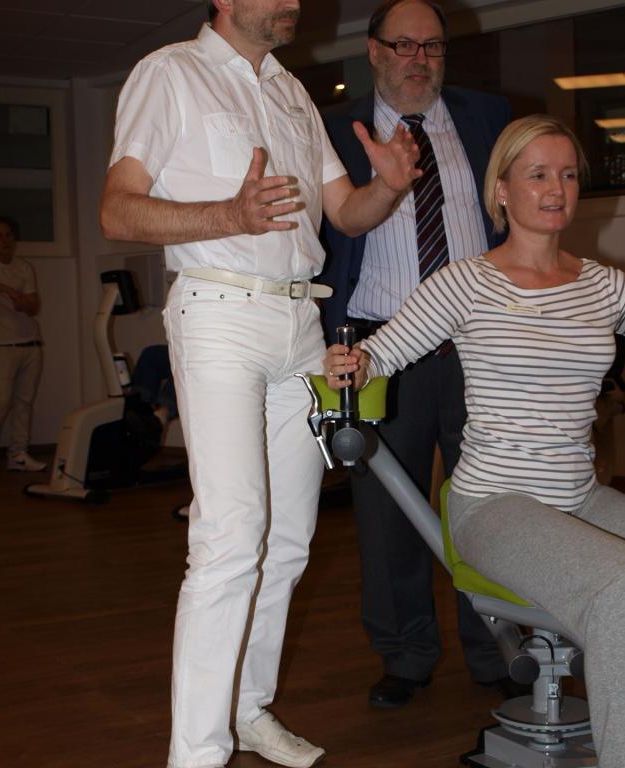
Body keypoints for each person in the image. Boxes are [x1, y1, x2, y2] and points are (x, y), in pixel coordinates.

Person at [324, 114, 625, 768]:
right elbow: (381, 355)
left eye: (568, 175)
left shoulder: (604, 286)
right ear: (501, 190)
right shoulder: (465, 283)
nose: (556, 189)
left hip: (579, 500)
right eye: (538, 174)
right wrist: (350, 366)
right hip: (493, 507)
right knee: (622, 583)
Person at [98, 1, 422, 766]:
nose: (293, 2)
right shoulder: (170, 73)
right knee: (230, 538)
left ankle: (247, 710)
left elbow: (346, 212)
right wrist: (228, 215)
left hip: (300, 323)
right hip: (219, 312)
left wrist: (389, 187)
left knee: (287, 542)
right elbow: (117, 212)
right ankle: (196, 753)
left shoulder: (291, 91)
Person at [319, 0, 512, 708]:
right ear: (374, 51)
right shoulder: (333, 132)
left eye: (431, 46)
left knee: (489, 504)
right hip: (381, 346)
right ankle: (405, 652)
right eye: (403, 44)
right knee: (386, 512)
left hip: (478, 341)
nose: (418, 59)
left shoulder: (489, 117)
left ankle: (498, 646)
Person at [0, 216, 46, 482]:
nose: (4, 240)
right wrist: (11, 292)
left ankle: (18, 454)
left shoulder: (24, 267)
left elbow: (33, 306)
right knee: (0, 400)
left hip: (31, 343)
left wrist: (23, 301)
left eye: (8, 235)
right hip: (2, 345)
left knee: (24, 403)